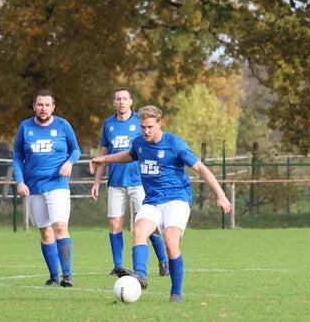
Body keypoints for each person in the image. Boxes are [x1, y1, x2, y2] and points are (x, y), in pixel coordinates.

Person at [89, 105, 232, 303]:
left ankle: (176, 293)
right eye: (142, 127)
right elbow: (129, 155)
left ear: (159, 124)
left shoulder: (174, 144)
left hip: (176, 199)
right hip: (152, 200)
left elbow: (200, 168)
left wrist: (221, 195)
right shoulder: (139, 143)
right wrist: (103, 159)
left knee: (171, 243)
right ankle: (140, 275)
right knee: (139, 232)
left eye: (150, 127)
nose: (146, 131)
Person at [91, 87, 169, 277]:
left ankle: (163, 262)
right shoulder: (109, 124)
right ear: (114, 102)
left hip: (140, 182)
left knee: (149, 224)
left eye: (125, 98)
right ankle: (118, 266)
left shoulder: (140, 122)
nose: (121, 102)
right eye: (118, 99)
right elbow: (104, 154)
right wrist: (97, 182)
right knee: (115, 223)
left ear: (131, 101)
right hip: (116, 182)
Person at [12, 89, 81, 287]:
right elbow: (17, 156)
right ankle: (53, 277)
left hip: (57, 184)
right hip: (33, 186)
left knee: (59, 227)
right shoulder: (25, 127)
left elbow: (75, 150)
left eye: (47, 105)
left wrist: (69, 163)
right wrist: (20, 181)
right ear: (34, 106)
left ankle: (67, 276)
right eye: (40, 105)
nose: (43, 108)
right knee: (45, 232)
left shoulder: (63, 125)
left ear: (53, 107)